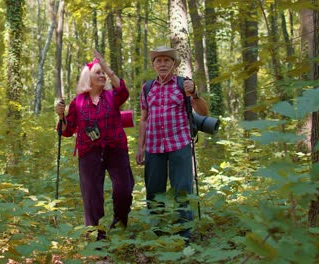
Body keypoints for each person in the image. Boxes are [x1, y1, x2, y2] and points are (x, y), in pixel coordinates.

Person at [55, 50, 134, 240]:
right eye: (98, 72)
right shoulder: (78, 102)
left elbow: (124, 91)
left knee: (124, 188)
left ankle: (120, 218)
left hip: (115, 148)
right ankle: (95, 233)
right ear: (87, 77)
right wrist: (61, 116)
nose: (102, 75)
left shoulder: (111, 96)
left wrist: (105, 65)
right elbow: (66, 131)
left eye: (103, 73)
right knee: (91, 193)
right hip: (89, 151)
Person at [135, 46, 209, 241]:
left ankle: (185, 235)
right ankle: (158, 233)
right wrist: (140, 146)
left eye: (166, 60)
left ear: (174, 64)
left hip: (180, 144)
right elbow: (143, 118)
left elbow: (203, 112)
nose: (162, 64)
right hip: (153, 146)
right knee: (154, 189)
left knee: (182, 189)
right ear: (153, 65)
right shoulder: (147, 88)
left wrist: (194, 94)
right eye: (158, 61)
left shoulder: (183, 84)